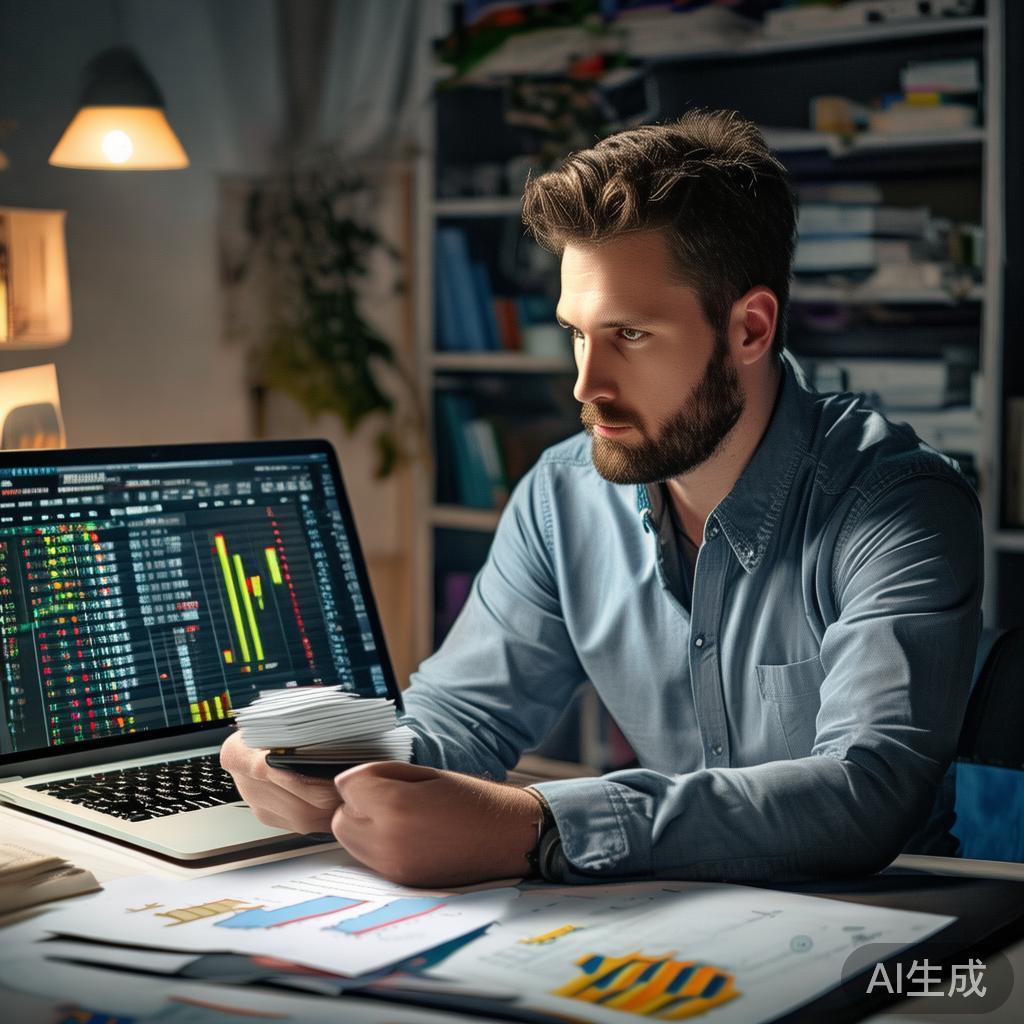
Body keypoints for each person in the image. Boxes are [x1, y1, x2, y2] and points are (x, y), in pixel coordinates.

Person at [221, 109, 983, 888]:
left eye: (632, 335)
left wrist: (538, 829)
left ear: (750, 329)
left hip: (890, 925)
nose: (587, 386)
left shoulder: (898, 505)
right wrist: (321, 765)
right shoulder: (562, 497)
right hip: (673, 915)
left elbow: (868, 790)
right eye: (579, 334)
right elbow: (462, 720)